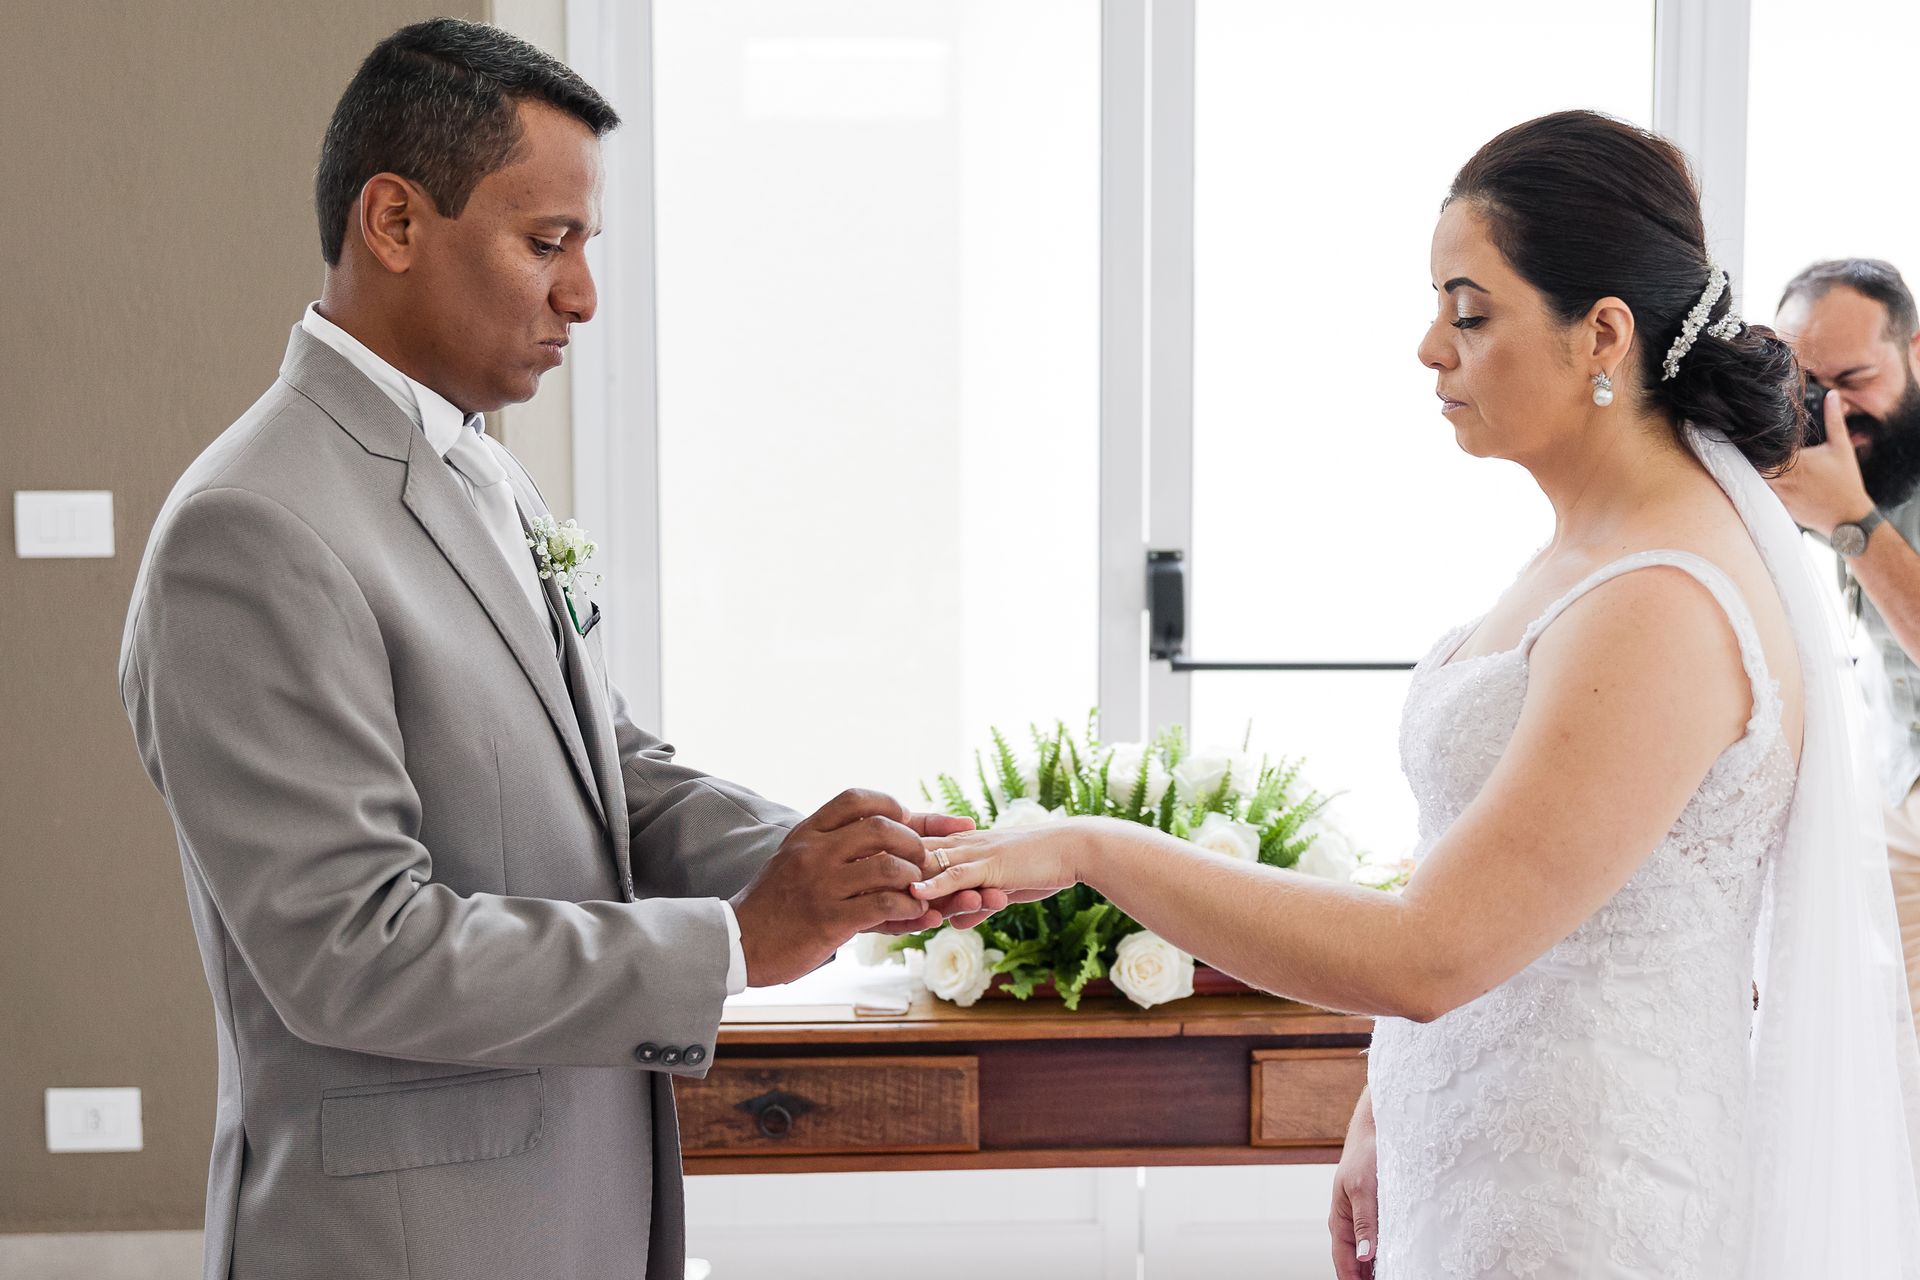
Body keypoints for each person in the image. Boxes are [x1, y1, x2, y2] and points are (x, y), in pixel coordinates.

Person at [911, 111, 1920, 1278]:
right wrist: (1393, 1100)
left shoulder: (1663, 599)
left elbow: (1432, 949)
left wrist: (1097, 846)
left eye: (1470, 311)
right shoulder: (1591, 548)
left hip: (1585, 1204)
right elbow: (1496, 882)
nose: (1431, 348)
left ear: (1602, 333)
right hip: (1494, 1157)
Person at [118, 20, 994, 1280]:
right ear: (395, 220)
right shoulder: (250, 526)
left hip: (567, 1210)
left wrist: (849, 864)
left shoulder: (479, 467)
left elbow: (606, 775)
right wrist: (734, 940)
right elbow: (352, 950)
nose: (581, 294)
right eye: (547, 243)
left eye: (586, 246)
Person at [1766, 259, 1920, 1030]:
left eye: (1855, 379)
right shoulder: (1839, 455)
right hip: (1896, 789)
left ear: (1915, 351)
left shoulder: (1847, 493)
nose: (1832, 409)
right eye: (1808, 386)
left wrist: (1850, 524)